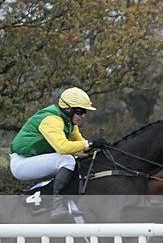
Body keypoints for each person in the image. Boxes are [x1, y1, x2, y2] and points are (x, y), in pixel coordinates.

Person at [9, 87, 108, 219]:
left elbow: (80, 147)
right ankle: (57, 205)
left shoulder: (69, 123)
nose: (83, 115)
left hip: (35, 160)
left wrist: (99, 147)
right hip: (21, 163)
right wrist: (89, 143)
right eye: (80, 111)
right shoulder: (51, 119)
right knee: (67, 159)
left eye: (85, 112)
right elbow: (62, 147)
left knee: (75, 161)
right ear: (68, 109)